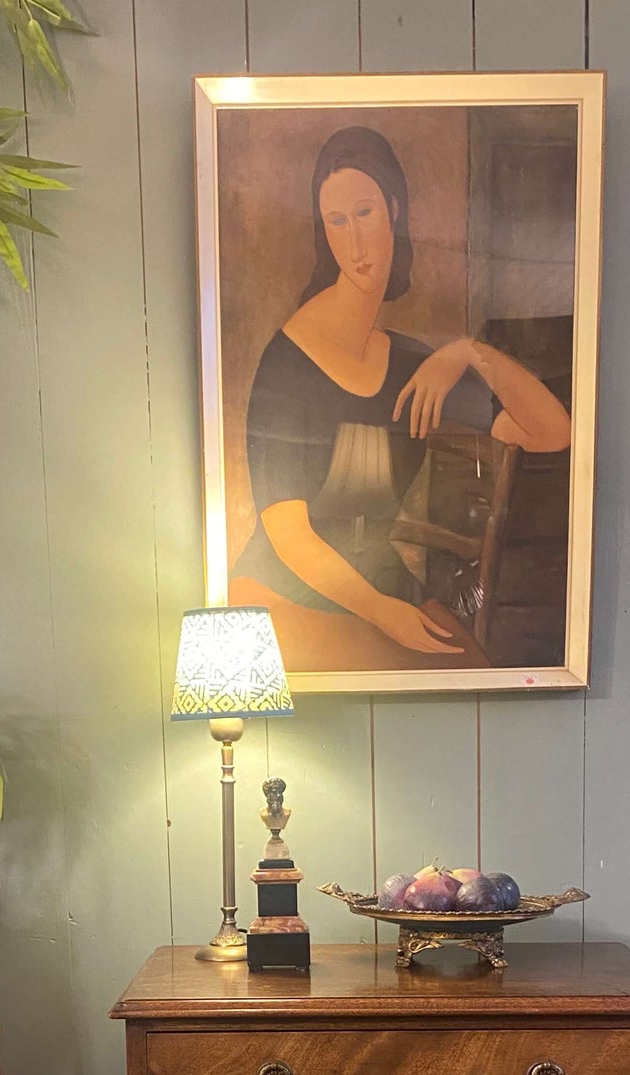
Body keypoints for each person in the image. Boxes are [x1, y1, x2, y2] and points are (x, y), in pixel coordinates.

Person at [229, 124, 572, 672]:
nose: (356, 243)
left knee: (470, 682)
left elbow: (553, 432)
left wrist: (469, 352)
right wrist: (382, 612)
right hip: (284, 597)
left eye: (364, 213)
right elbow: (288, 534)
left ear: (393, 209)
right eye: (336, 223)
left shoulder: (413, 364)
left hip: (382, 592)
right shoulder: (288, 362)